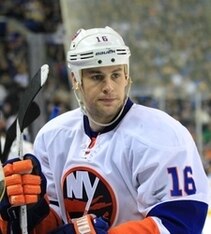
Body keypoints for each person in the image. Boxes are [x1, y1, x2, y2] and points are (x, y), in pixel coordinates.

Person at [0, 26, 209, 234]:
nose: (109, 86)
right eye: (97, 77)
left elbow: (181, 223)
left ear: (127, 76)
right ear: (76, 80)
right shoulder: (52, 136)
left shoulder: (164, 136)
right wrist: (34, 212)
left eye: (116, 75)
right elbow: (55, 223)